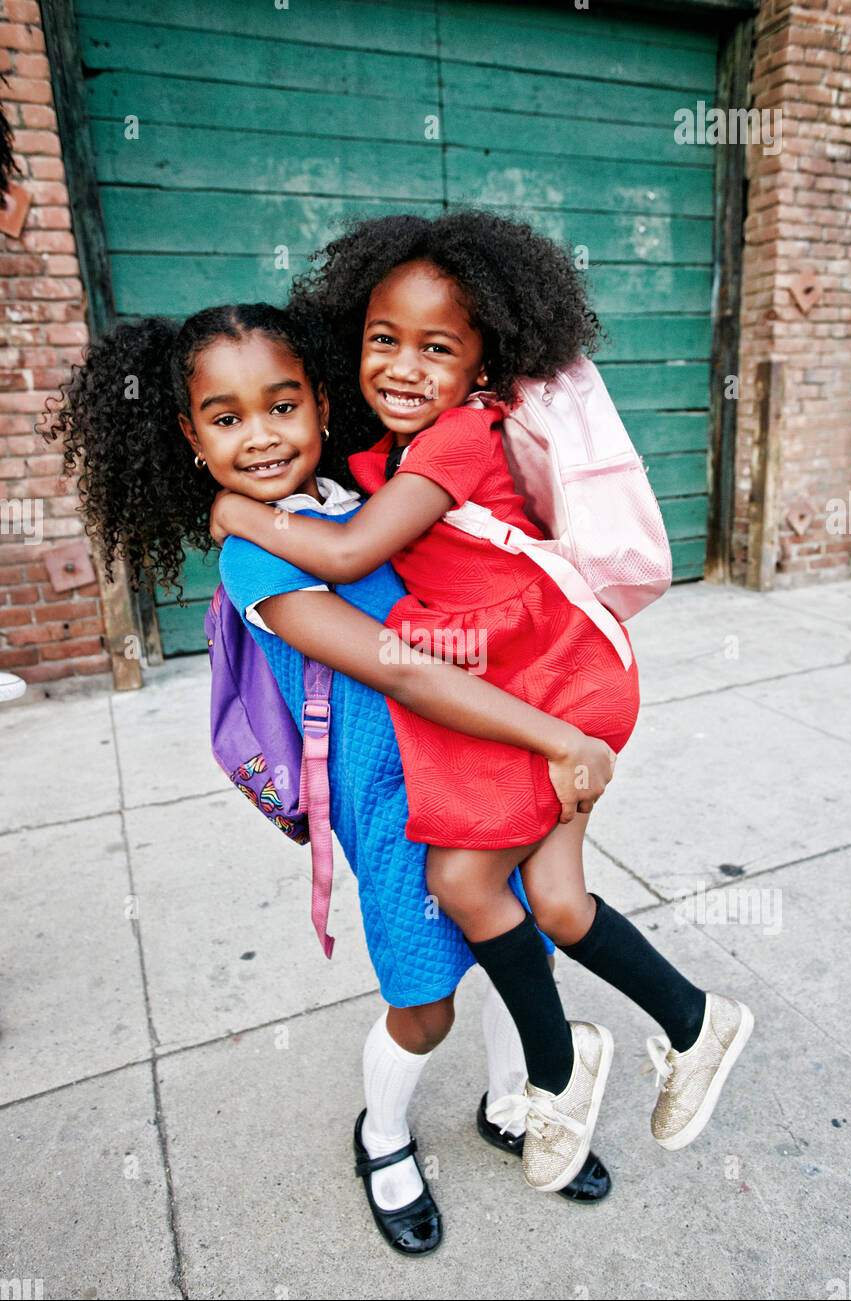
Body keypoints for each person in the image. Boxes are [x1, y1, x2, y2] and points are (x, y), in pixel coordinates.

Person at [42, 298, 612, 1259]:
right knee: (425, 998)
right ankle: (382, 1137)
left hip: (480, 765)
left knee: (522, 949)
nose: (261, 437)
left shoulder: (361, 495)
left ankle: (517, 1104)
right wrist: (557, 735)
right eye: (226, 419)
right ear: (189, 435)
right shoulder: (252, 558)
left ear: (319, 400)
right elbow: (396, 664)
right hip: (391, 802)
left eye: (282, 405)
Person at [210, 212, 754, 1192]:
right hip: (507, 713)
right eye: (384, 340)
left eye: (437, 347)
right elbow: (386, 621)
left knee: (472, 891)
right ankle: (688, 1023)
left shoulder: (442, 446)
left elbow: (350, 560)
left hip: (549, 687)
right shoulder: (367, 473)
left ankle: (549, 1077)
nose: (406, 366)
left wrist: (231, 508)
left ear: (480, 367)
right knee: (542, 905)